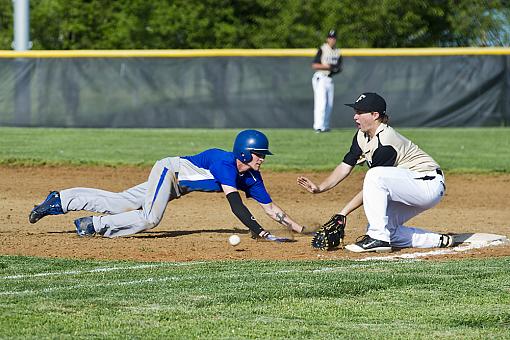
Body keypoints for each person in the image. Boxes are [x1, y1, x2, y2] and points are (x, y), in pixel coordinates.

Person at [29, 130, 306, 241]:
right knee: (150, 218)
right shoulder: (225, 163)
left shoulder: (252, 177)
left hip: (176, 186)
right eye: (260, 154)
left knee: (119, 203)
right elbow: (235, 203)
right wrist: (259, 233)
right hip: (168, 171)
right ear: (245, 153)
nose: (262, 159)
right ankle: (93, 225)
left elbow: (271, 208)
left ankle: (61, 200)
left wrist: (300, 229)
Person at [297, 92, 454, 252]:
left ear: (375, 115)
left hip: (427, 183)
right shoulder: (362, 135)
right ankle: (437, 240)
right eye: (355, 112)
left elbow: (373, 185)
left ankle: (378, 238)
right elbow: (345, 166)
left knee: (374, 176)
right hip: (411, 186)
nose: (355, 117)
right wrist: (320, 187)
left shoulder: (386, 142)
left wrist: (343, 213)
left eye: (359, 113)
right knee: (384, 227)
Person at [311, 29, 342, 133]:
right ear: (327, 39)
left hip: (329, 79)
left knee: (329, 104)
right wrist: (328, 67)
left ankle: (325, 126)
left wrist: (335, 68)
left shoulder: (337, 52)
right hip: (321, 77)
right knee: (321, 102)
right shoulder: (323, 49)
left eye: (333, 38)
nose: (332, 40)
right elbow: (314, 65)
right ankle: (318, 126)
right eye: (330, 38)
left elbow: (339, 66)